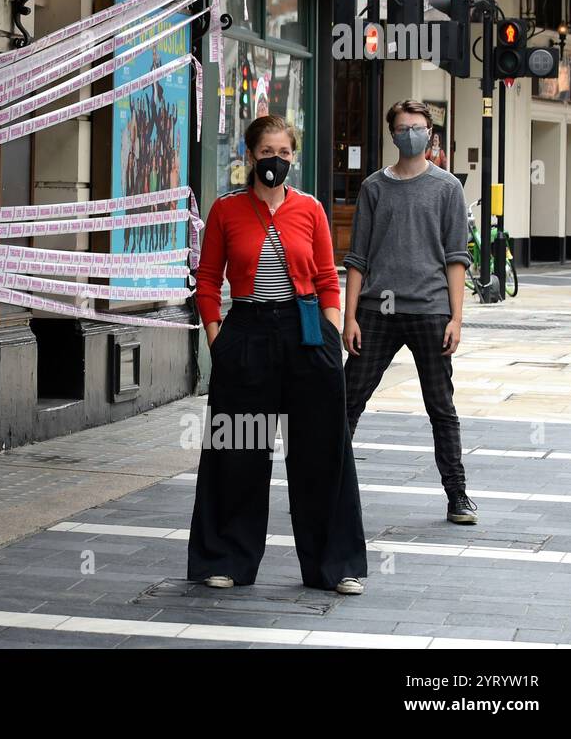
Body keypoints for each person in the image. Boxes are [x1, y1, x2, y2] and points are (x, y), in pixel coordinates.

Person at [189, 114, 367, 594]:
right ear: (250, 156)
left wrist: (330, 336)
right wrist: (217, 339)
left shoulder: (309, 209)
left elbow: (329, 278)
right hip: (246, 332)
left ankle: (336, 565)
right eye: (267, 153)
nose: (276, 161)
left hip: (306, 330)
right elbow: (207, 280)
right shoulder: (226, 210)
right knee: (239, 447)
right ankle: (226, 556)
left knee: (321, 451)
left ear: (294, 156)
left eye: (284, 153)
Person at [343, 100, 476, 524]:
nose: (411, 134)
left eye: (417, 127)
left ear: (430, 134)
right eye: (403, 127)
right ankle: (329, 487)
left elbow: (457, 257)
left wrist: (456, 317)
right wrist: (349, 318)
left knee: (441, 407)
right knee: (347, 401)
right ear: (392, 133)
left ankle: (457, 495)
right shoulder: (373, 188)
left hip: (431, 311)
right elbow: (357, 258)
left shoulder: (447, 187)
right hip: (376, 312)